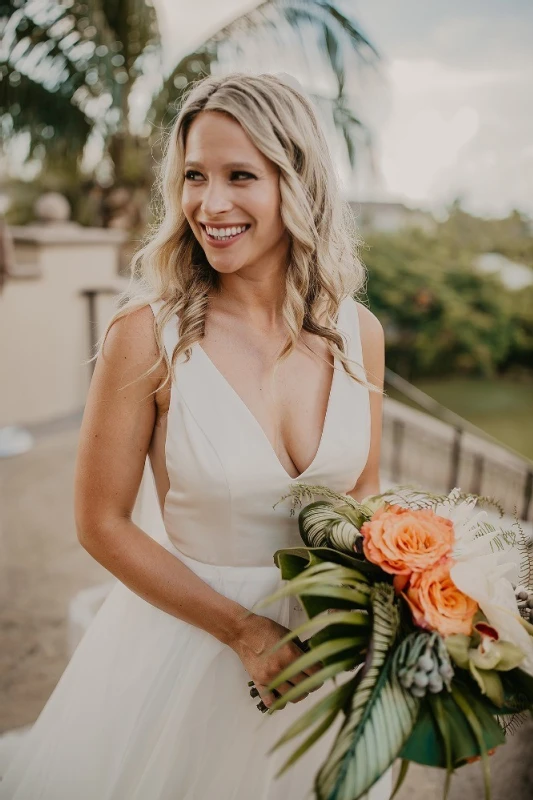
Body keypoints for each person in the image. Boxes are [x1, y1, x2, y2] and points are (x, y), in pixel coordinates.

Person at [0, 73, 390, 799]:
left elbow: (363, 492)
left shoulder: (358, 335)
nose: (211, 205)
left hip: (323, 663)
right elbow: (100, 523)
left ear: (296, 183)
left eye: (240, 175)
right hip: (187, 653)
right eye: (193, 177)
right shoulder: (144, 335)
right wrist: (241, 630)